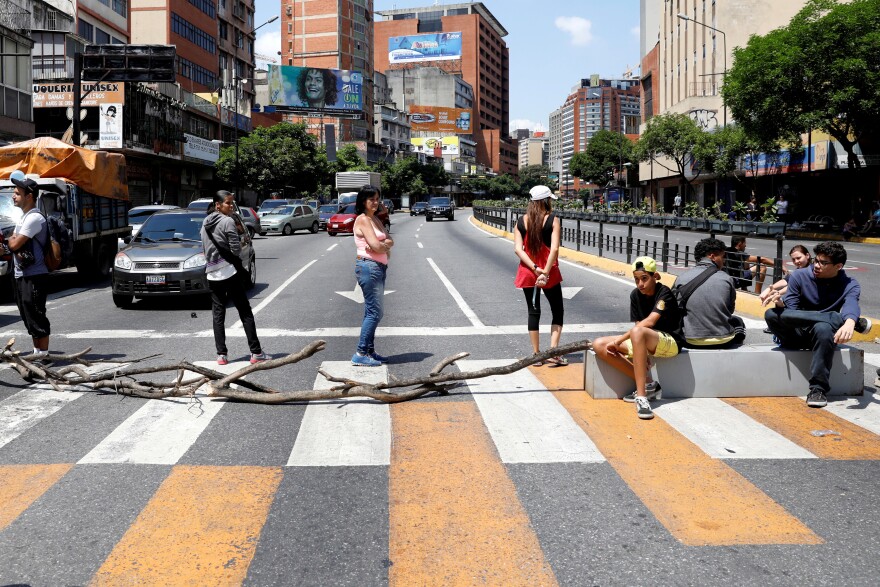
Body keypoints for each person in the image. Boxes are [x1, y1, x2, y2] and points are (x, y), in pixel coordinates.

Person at [764, 242, 872, 408]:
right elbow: (792, 311)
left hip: (824, 337)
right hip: (795, 334)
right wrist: (780, 304)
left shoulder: (850, 284)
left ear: (838, 266)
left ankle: (818, 389)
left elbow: (851, 304)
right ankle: (834, 318)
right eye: (816, 260)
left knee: (823, 327)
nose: (817, 265)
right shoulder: (799, 276)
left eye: (823, 262)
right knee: (771, 314)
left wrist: (849, 321)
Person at [592, 257, 684, 420]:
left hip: (671, 342)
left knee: (637, 333)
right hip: (644, 338)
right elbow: (638, 325)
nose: (640, 284)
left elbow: (649, 322)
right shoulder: (635, 295)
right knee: (599, 345)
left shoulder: (664, 293)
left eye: (644, 279)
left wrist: (619, 341)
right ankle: (649, 384)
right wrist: (640, 352)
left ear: (655, 277)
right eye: (636, 279)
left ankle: (641, 398)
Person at [201, 190, 267, 365]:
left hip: (212, 273)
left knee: (218, 314)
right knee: (245, 311)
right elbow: (236, 249)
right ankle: (256, 352)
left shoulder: (205, 222)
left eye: (232, 203)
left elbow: (205, 247)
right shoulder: (228, 221)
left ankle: (221, 355)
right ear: (218, 205)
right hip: (229, 272)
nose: (231, 207)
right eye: (228, 203)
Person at [514, 185, 566, 365]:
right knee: (557, 310)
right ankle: (553, 352)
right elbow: (555, 249)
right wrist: (545, 271)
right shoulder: (553, 220)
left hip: (529, 272)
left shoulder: (521, 221)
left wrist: (535, 268)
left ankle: (536, 355)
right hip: (549, 272)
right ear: (545, 201)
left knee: (533, 311)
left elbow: (518, 250)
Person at [5, 178, 51, 359]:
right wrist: (11, 242)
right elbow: (13, 242)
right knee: (28, 316)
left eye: (17, 193)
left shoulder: (34, 218)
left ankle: (44, 356)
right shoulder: (23, 217)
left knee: (37, 315)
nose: (13, 196)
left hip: (35, 275)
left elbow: (15, 243)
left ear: (29, 196)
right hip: (21, 274)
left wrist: (11, 241)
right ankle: (37, 354)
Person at [351, 185, 394, 367]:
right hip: (369, 267)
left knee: (373, 311)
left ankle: (369, 350)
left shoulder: (374, 218)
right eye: (371, 199)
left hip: (378, 267)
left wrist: (382, 244)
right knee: (375, 312)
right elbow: (376, 246)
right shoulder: (363, 220)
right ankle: (360, 352)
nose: (375, 202)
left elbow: (389, 240)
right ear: (363, 201)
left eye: (377, 199)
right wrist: (381, 245)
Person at [678, 238, 746, 349]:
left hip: (690, 340)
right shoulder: (727, 279)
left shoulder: (682, 279)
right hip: (723, 341)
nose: (724, 261)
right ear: (712, 256)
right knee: (738, 321)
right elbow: (730, 310)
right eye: (723, 257)